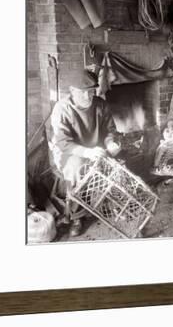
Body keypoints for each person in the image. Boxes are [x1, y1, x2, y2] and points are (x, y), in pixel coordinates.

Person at [49, 70, 121, 236]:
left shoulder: (100, 104)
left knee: (119, 159)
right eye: (83, 93)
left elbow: (110, 129)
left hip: (95, 148)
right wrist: (86, 152)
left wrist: (110, 142)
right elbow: (63, 142)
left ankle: (109, 203)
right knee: (77, 167)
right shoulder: (62, 109)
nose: (88, 97)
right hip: (70, 152)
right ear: (72, 91)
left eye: (91, 91)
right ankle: (77, 215)